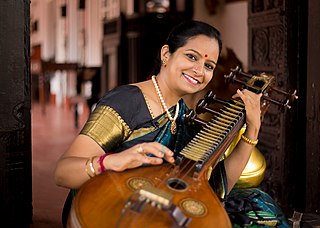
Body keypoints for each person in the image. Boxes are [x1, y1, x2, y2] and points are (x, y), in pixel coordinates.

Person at [54, 20, 287, 227]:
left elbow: (216, 186)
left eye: (209, 66)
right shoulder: (126, 102)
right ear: (166, 54)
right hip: (107, 211)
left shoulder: (182, 113)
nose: (199, 70)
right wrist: (114, 161)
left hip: (159, 212)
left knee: (261, 213)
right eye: (191, 56)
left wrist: (252, 129)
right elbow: (63, 173)